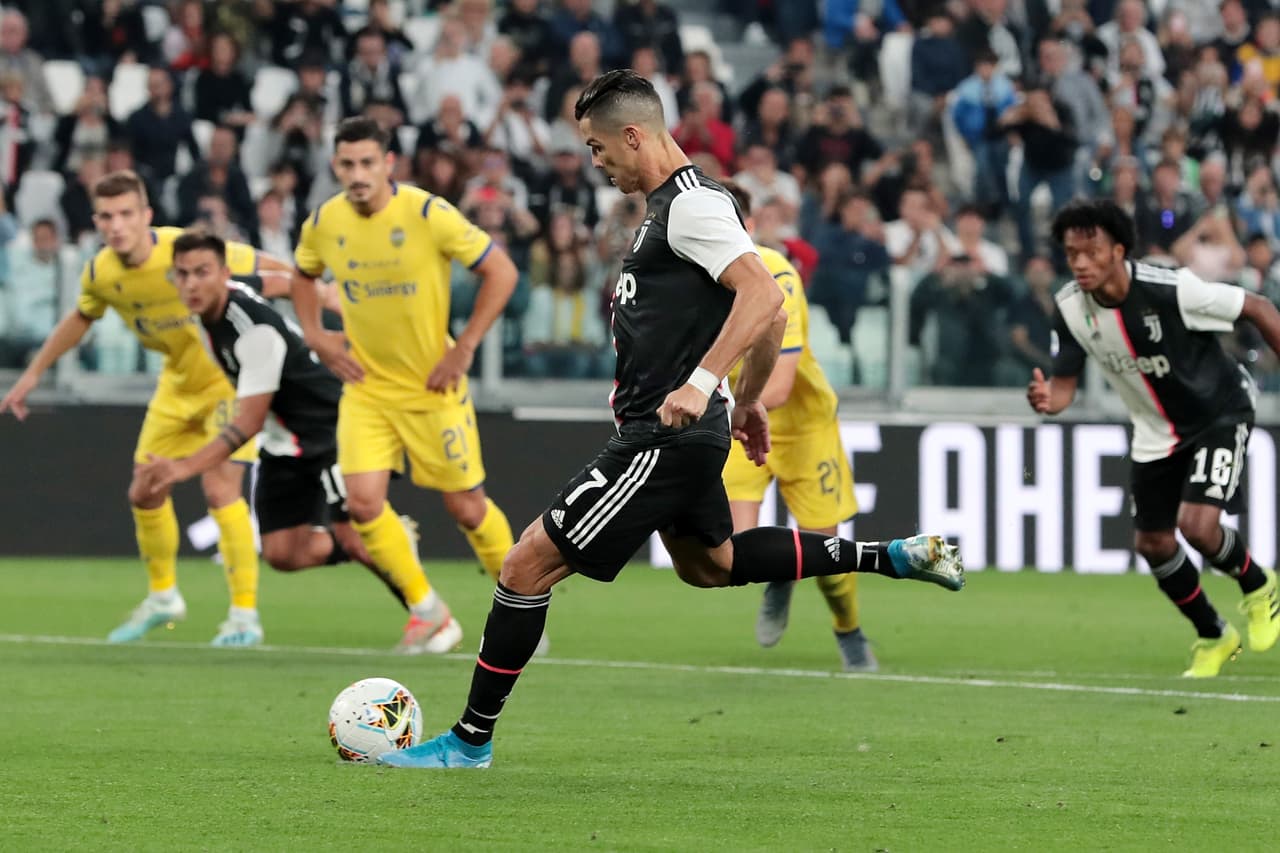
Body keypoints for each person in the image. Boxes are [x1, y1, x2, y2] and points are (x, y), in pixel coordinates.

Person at [378, 71, 964, 770]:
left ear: (634, 135)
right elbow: (766, 312)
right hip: (685, 431)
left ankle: (469, 741)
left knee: (524, 564)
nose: (597, 163)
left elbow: (760, 294)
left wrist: (705, 383)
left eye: (598, 148)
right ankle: (892, 555)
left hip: (663, 437)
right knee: (710, 565)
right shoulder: (670, 210)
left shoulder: (691, 204)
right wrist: (744, 404)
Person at [0, 170, 293, 646]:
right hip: (176, 386)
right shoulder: (101, 271)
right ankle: (163, 597)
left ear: (146, 216)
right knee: (144, 491)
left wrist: (314, 292)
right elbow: (81, 316)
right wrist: (32, 375)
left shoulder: (185, 252)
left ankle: (244, 616)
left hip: (229, 382)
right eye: (107, 216)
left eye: (126, 214)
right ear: (95, 220)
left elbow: (271, 266)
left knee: (221, 492)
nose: (116, 226)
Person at [290, 117, 522, 655]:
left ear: (388, 164)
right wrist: (317, 337)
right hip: (368, 390)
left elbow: (502, 272)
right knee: (362, 503)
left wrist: (463, 348)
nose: (358, 174)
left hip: (431, 389)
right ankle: (429, 613)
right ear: (335, 166)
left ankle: (521, 599)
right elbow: (303, 275)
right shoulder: (325, 221)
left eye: (368, 162)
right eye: (347, 164)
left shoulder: (426, 213)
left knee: (467, 509)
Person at [133, 231, 435, 643]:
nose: (191, 284)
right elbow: (282, 281)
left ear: (223, 273)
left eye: (202, 273)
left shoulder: (253, 332)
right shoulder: (222, 300)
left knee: (356, 530)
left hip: (326, 426)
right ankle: (395, 538)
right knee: (281, 553)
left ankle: (430, 615)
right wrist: (319, 299)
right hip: (285, 441)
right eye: (182, 275)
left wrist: (182, 467)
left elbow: (247, 423)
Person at [1027, 199, 1280, 677]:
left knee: (1198, 527)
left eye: (1092, 251)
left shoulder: (1171, 289)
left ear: (1119, 250)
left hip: (1218, 414)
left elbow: (1258, 306)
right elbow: (1064, 385)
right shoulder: (1069, 307)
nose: (1080, 263)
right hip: (1154, 433)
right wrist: (1047, 399)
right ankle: (1214, 635)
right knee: (1154, 544)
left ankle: (1259, 584)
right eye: (1071, 253)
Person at [719, 180, 870, 671]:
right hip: (742, 424)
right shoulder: (692, 279)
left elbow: (778, 389)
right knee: (734, 552)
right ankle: (780, 567)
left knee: (826, 557)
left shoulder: (777, 276)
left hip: (801, 425)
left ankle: (848, 628)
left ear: (749, 227)